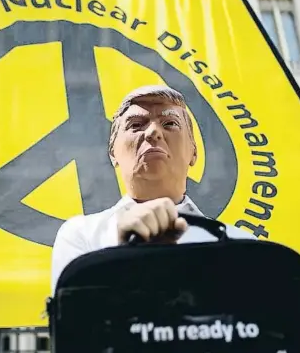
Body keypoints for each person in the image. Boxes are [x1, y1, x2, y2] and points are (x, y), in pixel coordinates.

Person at [51, 85, 256, 293]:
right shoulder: (83, 235)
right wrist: (125, 257)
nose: (153, 132)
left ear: (193, 151)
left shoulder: (241, 247)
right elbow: (76, 321)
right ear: (113, 153)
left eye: (170, 123)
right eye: (136, 125)